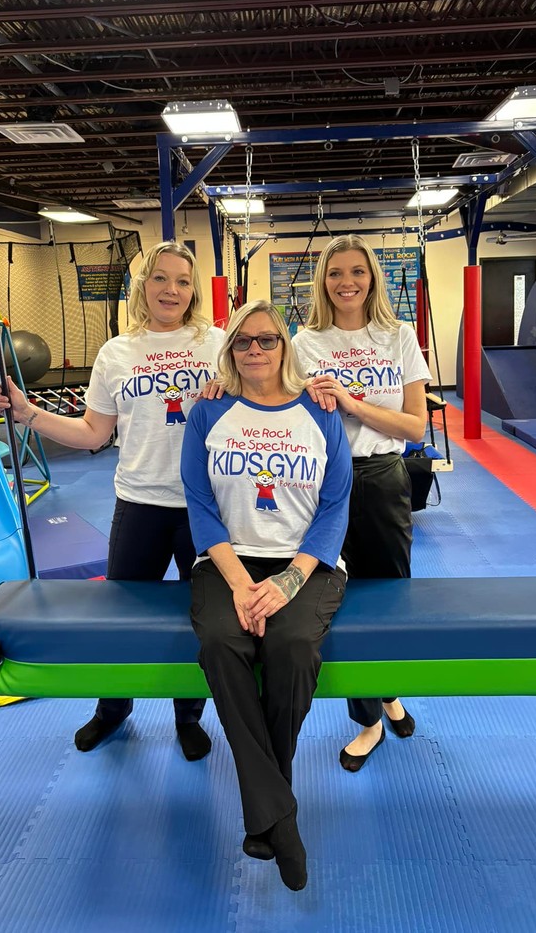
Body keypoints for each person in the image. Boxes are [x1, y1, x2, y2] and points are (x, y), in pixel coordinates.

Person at [0, 240, 224, 760]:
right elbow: (94, 433)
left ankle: (188, 714)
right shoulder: (117, 352)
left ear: (193, 290)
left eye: (183, 281)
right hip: (139, 502)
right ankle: (112, 709)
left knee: (201, 617)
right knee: (119, 618)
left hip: (204, 508)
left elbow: (261, 398)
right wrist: (31, 415)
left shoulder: (218, 344)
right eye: (160, 278)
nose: (172, 289)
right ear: (142, 287)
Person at [180, 300, 352, 892]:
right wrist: (239, 582)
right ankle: (281, 816)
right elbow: (199, 504)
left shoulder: (320, 411)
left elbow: (335, 506)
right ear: (231, 351)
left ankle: (265, 814)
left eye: (267, 340)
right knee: (224, 644)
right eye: (244, 342)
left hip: (307, 563)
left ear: (286, 346)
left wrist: (287, 581)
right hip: (228, 560)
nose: (255, 350)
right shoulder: (210, 411)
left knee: (294, 645)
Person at [291, 235, 430, 773]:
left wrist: (351, 402)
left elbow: (414, 425)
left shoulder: (398, 337)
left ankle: (389, 686)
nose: (346, 282)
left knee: (392, 593)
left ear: (372, 277)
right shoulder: (306, 343)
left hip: (384, 475)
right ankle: (369, 716)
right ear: (322, 281)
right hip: (326, 483)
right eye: (335, 273)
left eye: (357, 271)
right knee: (337, 597)